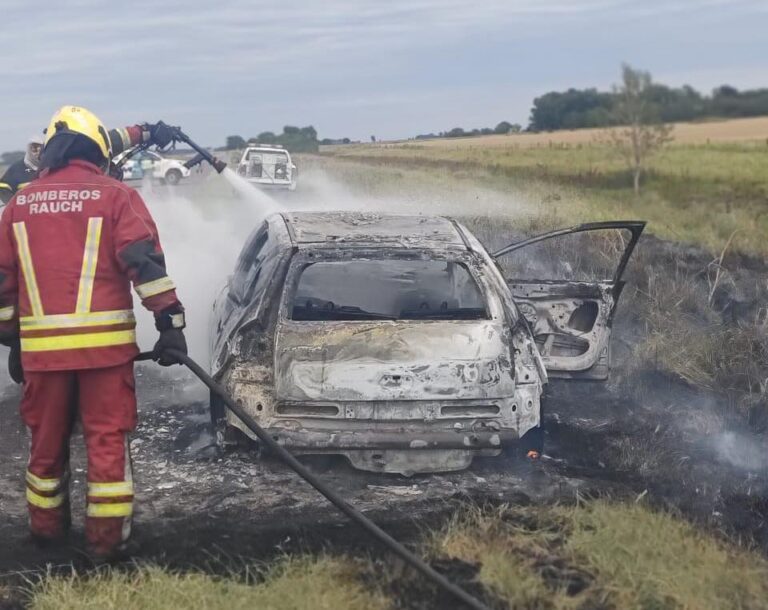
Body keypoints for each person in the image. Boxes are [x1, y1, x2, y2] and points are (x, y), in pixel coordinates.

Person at [0, 105, 187, 560]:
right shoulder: (116, 196)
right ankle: (107, 544)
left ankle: (46, 536)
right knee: (106, 444)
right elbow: (145, 264)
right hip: (105, 355)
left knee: (45, 447)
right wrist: (170, 322)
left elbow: (3, 282)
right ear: (98, 150)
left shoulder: (18, 206)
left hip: (43, 357)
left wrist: (13, 339)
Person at [0, 136, 43, 204]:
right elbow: (3, 189)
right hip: (23, 208)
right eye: (34, 148)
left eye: (41, 149)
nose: (38, 152)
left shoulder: (52, 166)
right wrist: (14, 205)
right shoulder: (16, 169)